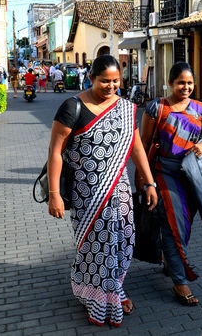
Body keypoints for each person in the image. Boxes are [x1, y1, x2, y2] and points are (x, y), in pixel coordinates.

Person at [47, 54, 158, 327]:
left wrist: (150, 181)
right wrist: (54, 194)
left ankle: (114, 288)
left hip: (119, 189)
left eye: (115, 81)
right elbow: (55, 151)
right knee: (96, 247)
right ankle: (97, 296)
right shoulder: (72, 107)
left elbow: (135, 146)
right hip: (87, 193)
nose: (110, 86)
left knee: (122, 241)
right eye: (104, 81)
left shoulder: (126, 108)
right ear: (92, 78)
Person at [138, 62, 202, 307]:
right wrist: (143, 179)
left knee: (183, 223)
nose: (186, 87)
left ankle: (169, 259)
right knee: (173, 226)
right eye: (181, 82)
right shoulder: (157, 108)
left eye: (190, 83)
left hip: (191, 175)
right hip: (164, 174)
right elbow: (143, 143)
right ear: (171, 83)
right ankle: (180, 281)